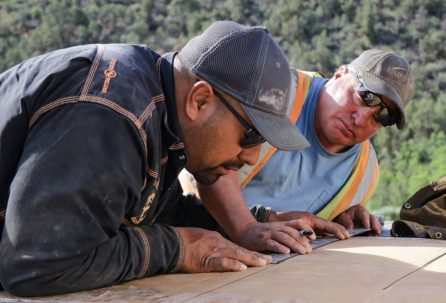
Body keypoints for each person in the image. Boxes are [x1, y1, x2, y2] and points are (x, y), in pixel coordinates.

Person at [0, 21, 341, 297]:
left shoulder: (159, 108)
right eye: (250, 135)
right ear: (200, 100)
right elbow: (37, 265)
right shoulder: (111, 113)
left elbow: (146, 208)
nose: (251, 156)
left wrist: (251, 225)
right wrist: (178, 248)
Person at [181, 49, 415, 237]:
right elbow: (206, 169)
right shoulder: (277, 93)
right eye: (366, 96)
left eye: (383, 116)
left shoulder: (363, 172)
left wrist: (340, 217)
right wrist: (252, 228)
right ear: (340, 73)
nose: (360, 118)